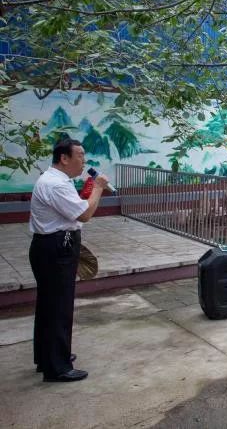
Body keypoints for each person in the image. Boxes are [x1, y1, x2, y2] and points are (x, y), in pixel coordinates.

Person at [29, 139, 108, 382]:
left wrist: (87, 193)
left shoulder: (55, 180)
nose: (84, 161)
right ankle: (57, 367)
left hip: (50, 246)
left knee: (49, 305)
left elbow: (75, 209)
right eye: (80, 156)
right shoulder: (56, 184)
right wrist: (98, 188)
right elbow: (84, 214)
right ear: (64, 158)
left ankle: (47, 357)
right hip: (56, 249)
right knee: (59, 307)